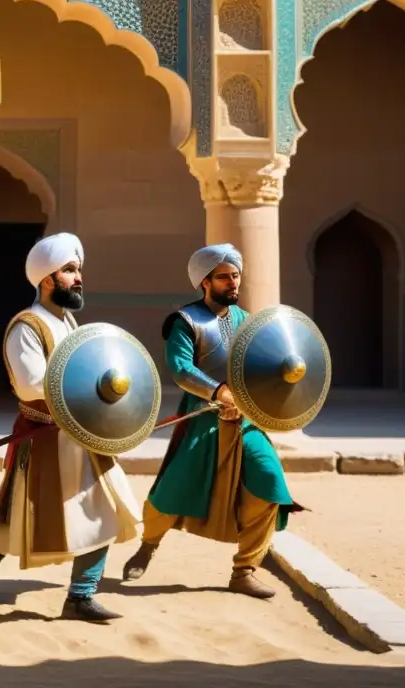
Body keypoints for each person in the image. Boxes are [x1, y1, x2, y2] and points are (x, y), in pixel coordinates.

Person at [0, 233, 141, 622]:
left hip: (84, 434)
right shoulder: (26, 326)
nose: (78, 278)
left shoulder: (69, 322)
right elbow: (31, 383)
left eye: (78, 270)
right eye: (69, 270)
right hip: (42, 437)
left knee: (109, 508)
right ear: (47, 279)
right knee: (12, 515)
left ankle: (80, 596)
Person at [121, 243, 303, 599]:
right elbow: (181, 368)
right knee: (173, 491)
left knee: (270, 482)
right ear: (205, 282)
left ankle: (244, 570)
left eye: (236, 276)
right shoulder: (186, 322)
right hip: (203, 416)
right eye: (224, 277)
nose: (233, 283)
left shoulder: (247, 321)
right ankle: (149, 543)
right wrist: (219, 392)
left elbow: (263, 365)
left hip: (245, 419)